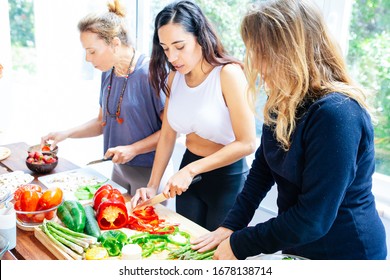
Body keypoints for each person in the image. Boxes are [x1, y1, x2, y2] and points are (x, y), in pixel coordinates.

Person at [192, 0, 387, 260]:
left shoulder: (337, 113)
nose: (258, 67)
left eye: (263, 54)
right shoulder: (283, 101)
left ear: (292, 52)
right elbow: (262, 171)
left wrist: (241, 244)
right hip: (300, 245)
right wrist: (230, 226)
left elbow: (313, 218)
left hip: (347, 253)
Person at [131, 0, 256, 231]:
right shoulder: (173, 78)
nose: (172, 57)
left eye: (179, 46)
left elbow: (247, 143)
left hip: (226, 178)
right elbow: (168, 135)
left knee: (218, 258)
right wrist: (152, 185)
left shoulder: (228, 74)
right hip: (188, 172)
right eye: (165, 48)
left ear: (200, 36)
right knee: (186, 246)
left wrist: (191, 170)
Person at [41, 0, 164, 196]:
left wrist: (133, 149)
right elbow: (102, 122)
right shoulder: (108, 72)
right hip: (119, 170)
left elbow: (171, 132)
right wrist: (66, 133)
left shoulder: (151, 73)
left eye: (92, 51)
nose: (88, 59)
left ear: (115, 43)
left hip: (151, 175)